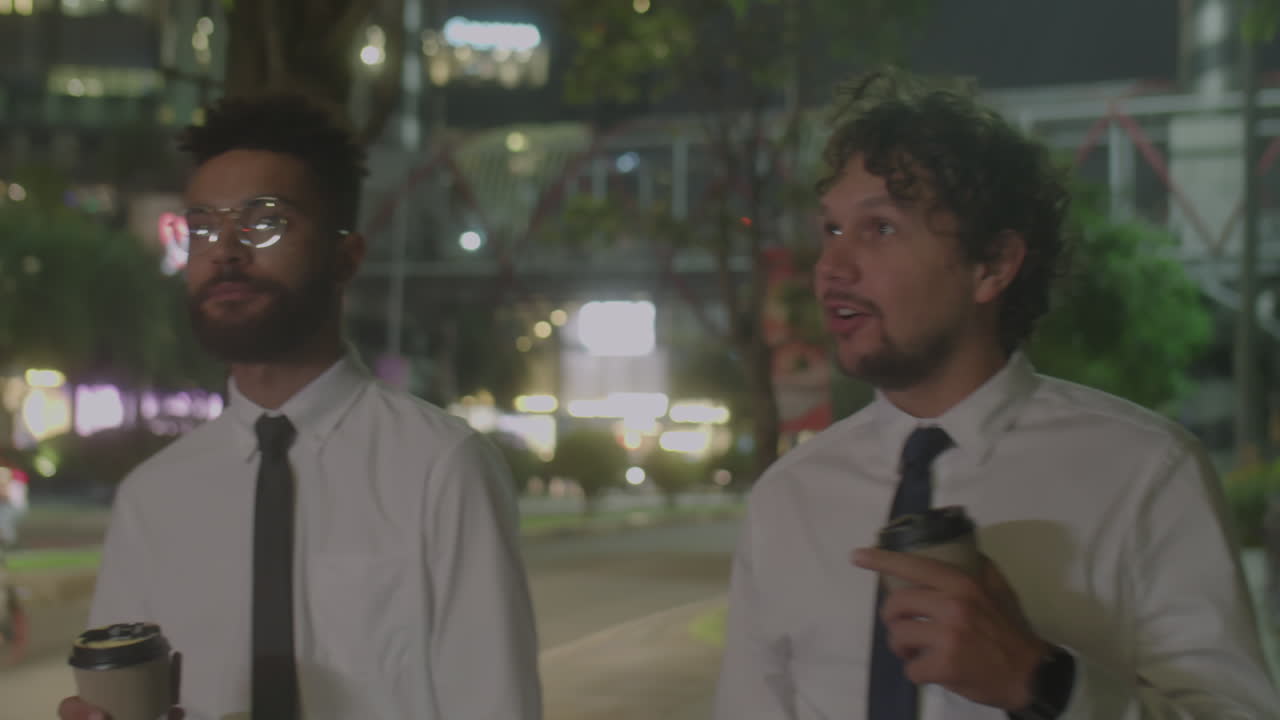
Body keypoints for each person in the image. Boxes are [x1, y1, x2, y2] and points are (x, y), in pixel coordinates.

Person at [714, 68, 1279, 719]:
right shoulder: (788, 499)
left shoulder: (1147, 475)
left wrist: (1043, 684)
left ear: (993, 265)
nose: (832, 269)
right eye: (831, 230)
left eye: (881, 229)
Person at [59, 93, 541, 720]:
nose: (226, 249)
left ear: (346, 257)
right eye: (202, 226)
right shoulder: (152, 499)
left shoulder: (440, 469)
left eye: (264, 222)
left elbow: (494, 704)